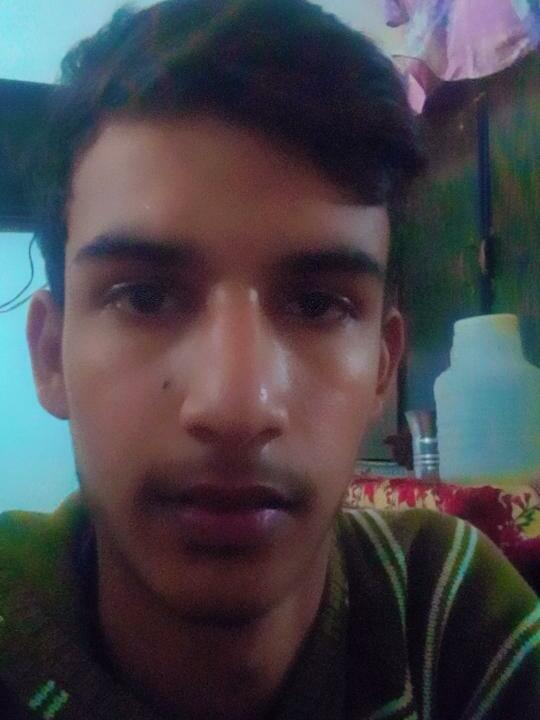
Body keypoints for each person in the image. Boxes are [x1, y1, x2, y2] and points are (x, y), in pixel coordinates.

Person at [1, 1, 538, 718]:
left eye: (317, 305)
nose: (236, 407)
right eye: (145, 297)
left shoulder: (455, 620)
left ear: (383, 367)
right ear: (49, 355)